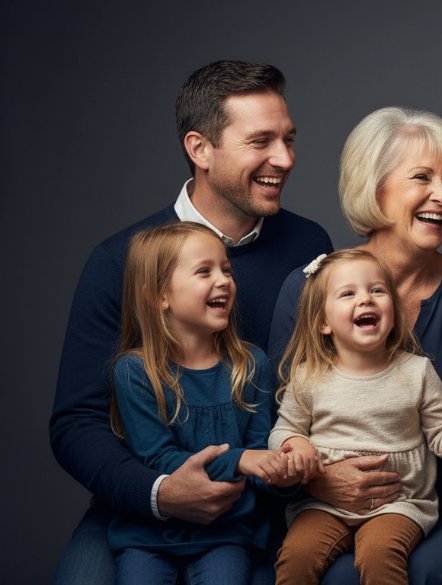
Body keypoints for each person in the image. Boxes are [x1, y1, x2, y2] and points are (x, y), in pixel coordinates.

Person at [50, 60, 333, 584]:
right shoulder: (122, 259)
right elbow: (75, 422)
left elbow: (321, 383)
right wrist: (158, 494)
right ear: (200, 148)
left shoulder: (309, 247)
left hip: (262, 504)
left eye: (289, 140)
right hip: (138, 503)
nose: (285, 159)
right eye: (261, 142)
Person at [269, 107, 442, 584]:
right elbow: (273, 420)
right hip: (319, 501)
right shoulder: (310, 286)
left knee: (425, 570)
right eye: (423, 177)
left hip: (433, 505)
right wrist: (318, 477)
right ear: (374, 187)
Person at [268, 249, 442, 584]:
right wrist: (295, 443)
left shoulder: (416, 371)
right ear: (323, 322)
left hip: (398, 503)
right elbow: (283, 429)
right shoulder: (309, 376)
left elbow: (441, 430)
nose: (366, 300)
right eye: (348, 294)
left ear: (393, 311)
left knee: (380, 556)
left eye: (377, 291)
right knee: (295, 557)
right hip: (324, 505)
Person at [110, 222, 300, 584]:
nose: (224, 280)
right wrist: (242, 460)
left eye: (226, 269)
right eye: (204, 271)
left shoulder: (250, 365)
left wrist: (280, 473)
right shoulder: (135, 372)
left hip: (227, 533)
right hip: (148, 537)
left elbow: (259, 451)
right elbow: (158, 459)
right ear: (159, 296)